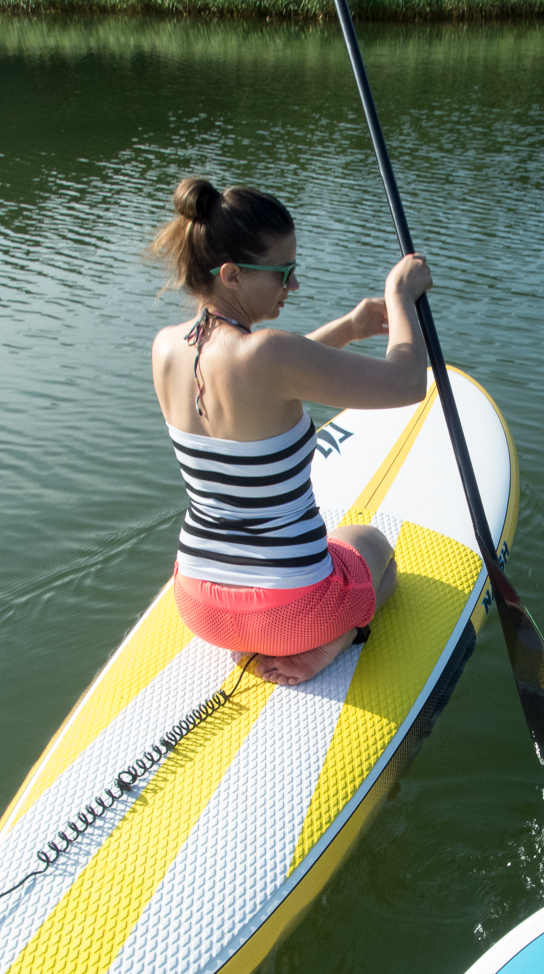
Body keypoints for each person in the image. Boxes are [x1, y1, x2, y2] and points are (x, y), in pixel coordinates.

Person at [149, 177, 432, 686]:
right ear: (233, 275)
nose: (293, 286)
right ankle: (334, 642)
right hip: (295, 616)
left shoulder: (166, 348)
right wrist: (401, 297)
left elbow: (264, 381)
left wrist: (348, 328)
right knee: (372, 544)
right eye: (284, 273)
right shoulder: (271, 355)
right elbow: (408, 382)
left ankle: (276, 629)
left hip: (199, 608)